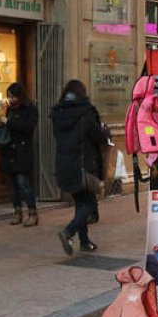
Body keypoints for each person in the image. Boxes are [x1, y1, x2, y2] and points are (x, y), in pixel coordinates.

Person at [52, 79, 106, 254]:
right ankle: (68, 231)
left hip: (65, 164)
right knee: (90, 204)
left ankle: (84, 241)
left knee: (80, 203)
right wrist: (104, 131)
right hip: (83, 164)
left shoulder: (58, 113)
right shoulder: (86, 112)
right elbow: (97, 137)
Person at [0, 82, 39, 226]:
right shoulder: (10, 109)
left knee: (23, 183)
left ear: (20, 95)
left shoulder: (30, 108)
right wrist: (1, 124)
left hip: (22, 151)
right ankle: (17, 212)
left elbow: (29, 127)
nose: (10, 99)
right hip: (10, 151)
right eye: (9, 96)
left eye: (12, 96)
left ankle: (32, 213)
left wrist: (9, 122)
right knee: (13, 185)